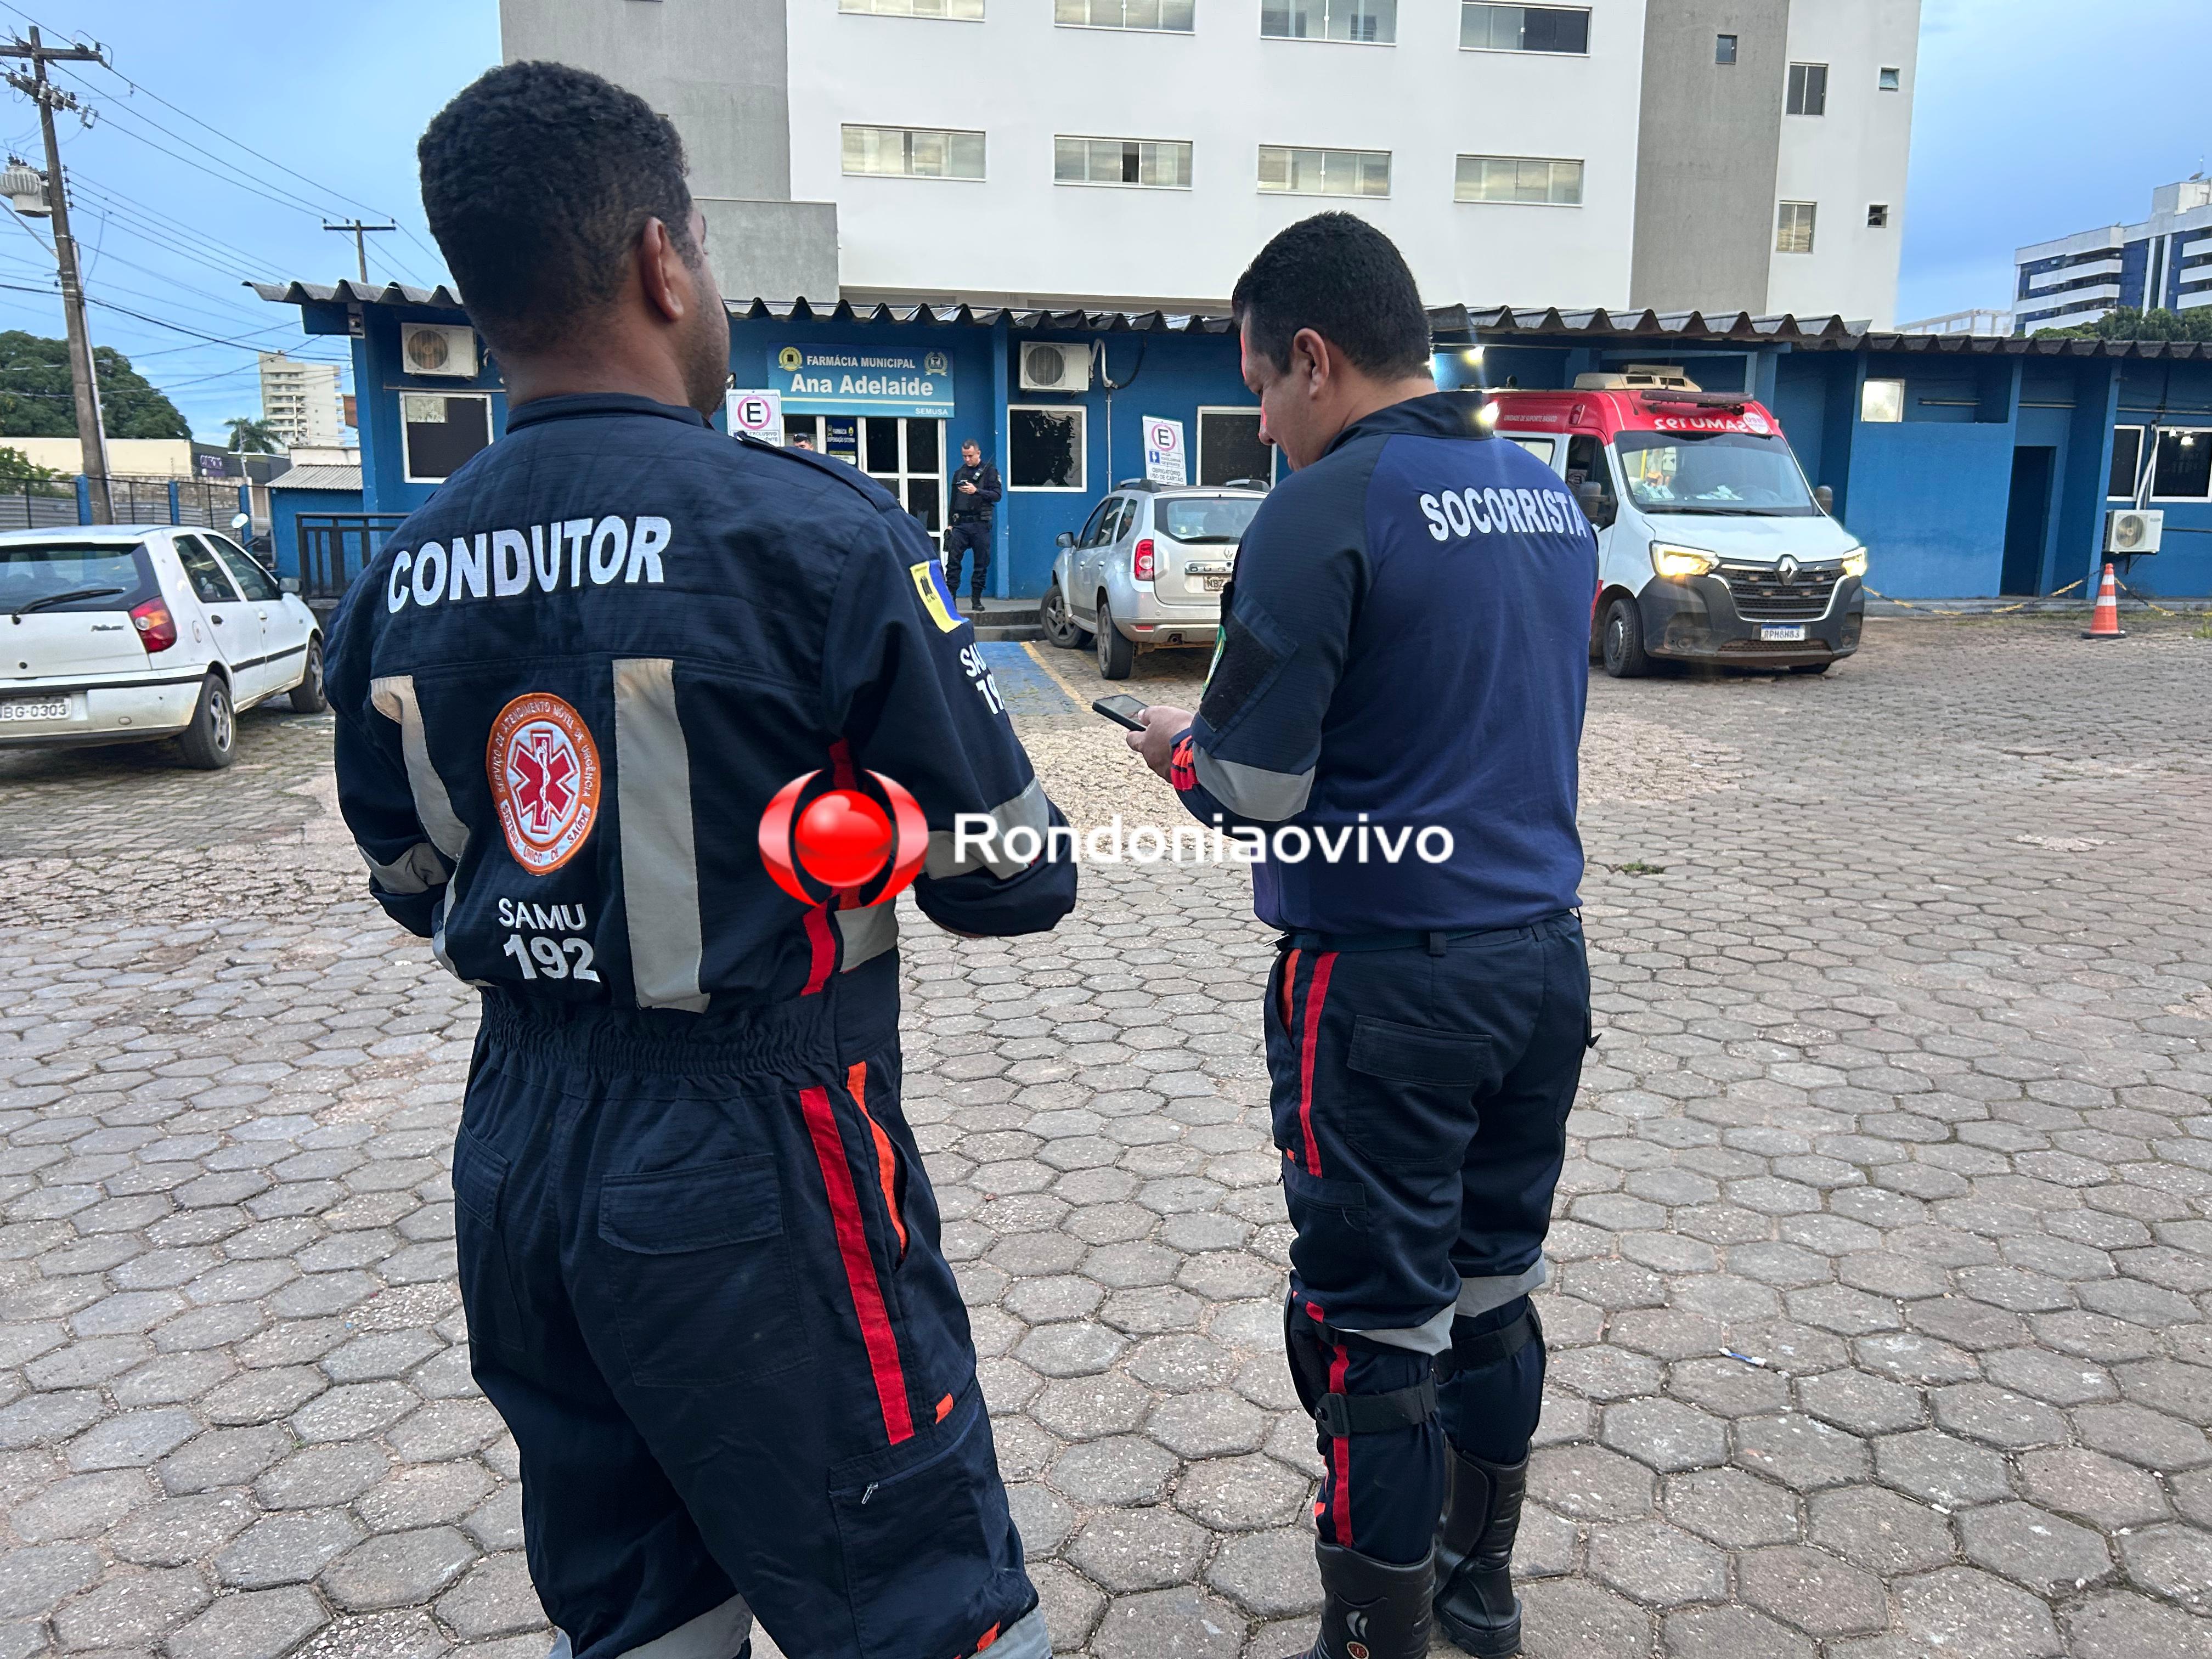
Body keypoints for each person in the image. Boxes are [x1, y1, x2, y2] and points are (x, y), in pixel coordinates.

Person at [326, 61, 1074, 1659]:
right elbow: (1023, 871)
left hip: (519, 1155)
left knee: (643, 1605)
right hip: (761, 1160)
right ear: (664, 263)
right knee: (910, 1603)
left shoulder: (400, 575)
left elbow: (410, 877)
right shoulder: (812, 536)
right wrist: (884, 846)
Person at [1127, 213, 1597, 1659]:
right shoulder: (1545, 500)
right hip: (1542, 964)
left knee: (1373, 1331)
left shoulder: (1321, 510)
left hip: (1384, 992)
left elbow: (1255, 788)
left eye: (1261, 390)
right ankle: (1479, 1590)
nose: (1264, 426)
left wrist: (1174, 750)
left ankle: (1374, 1639)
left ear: (1314, 360)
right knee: (1494, 1289)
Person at [944, 439, 1001, 605]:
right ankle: (951, 597)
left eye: (970, 456)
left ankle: (976, 599)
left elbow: (997, 495)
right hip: (960, 524)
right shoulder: (959, 473)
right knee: (953, 562)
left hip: (980, 524)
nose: (967, 460)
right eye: (964, 456)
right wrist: (950, 524)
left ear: (978, 453)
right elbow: (953, 500)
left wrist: (977, 491)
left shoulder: (990, 472)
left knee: (981, 562)